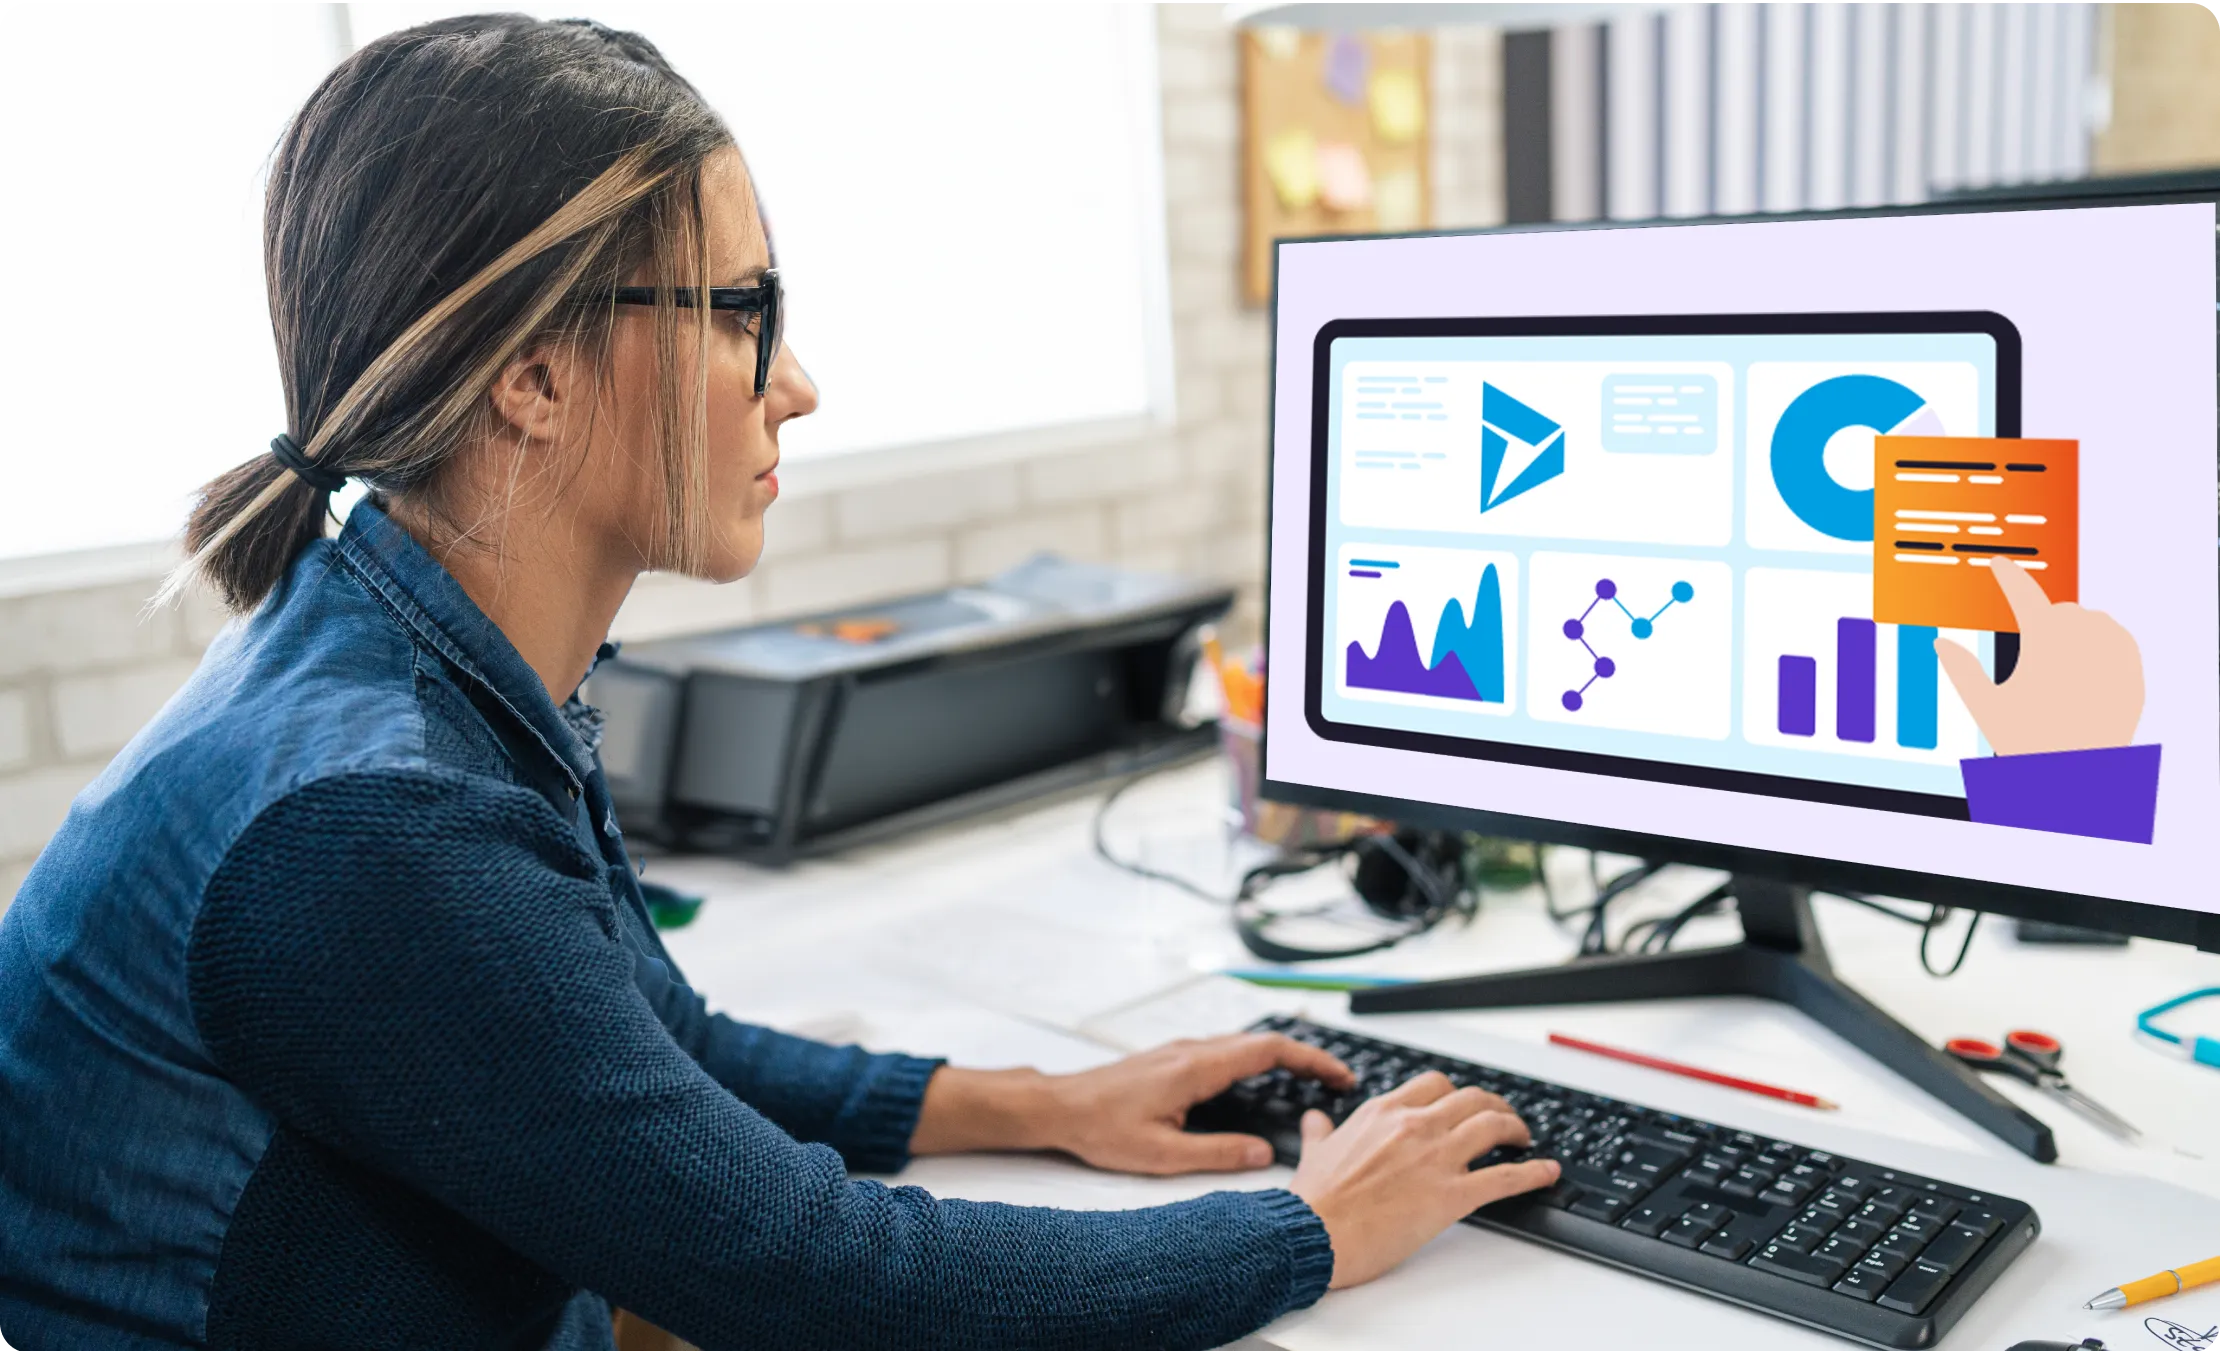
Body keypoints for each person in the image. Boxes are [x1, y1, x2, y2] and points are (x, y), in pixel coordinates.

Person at [0, 17, 1557, 1350]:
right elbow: (809, 1275)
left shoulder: (407, 660)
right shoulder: (372, 820)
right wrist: (1309, 1227)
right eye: (747, 313)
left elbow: (655, 1045)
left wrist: (1054, 1101)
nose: (795, 383)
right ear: (530, 375)